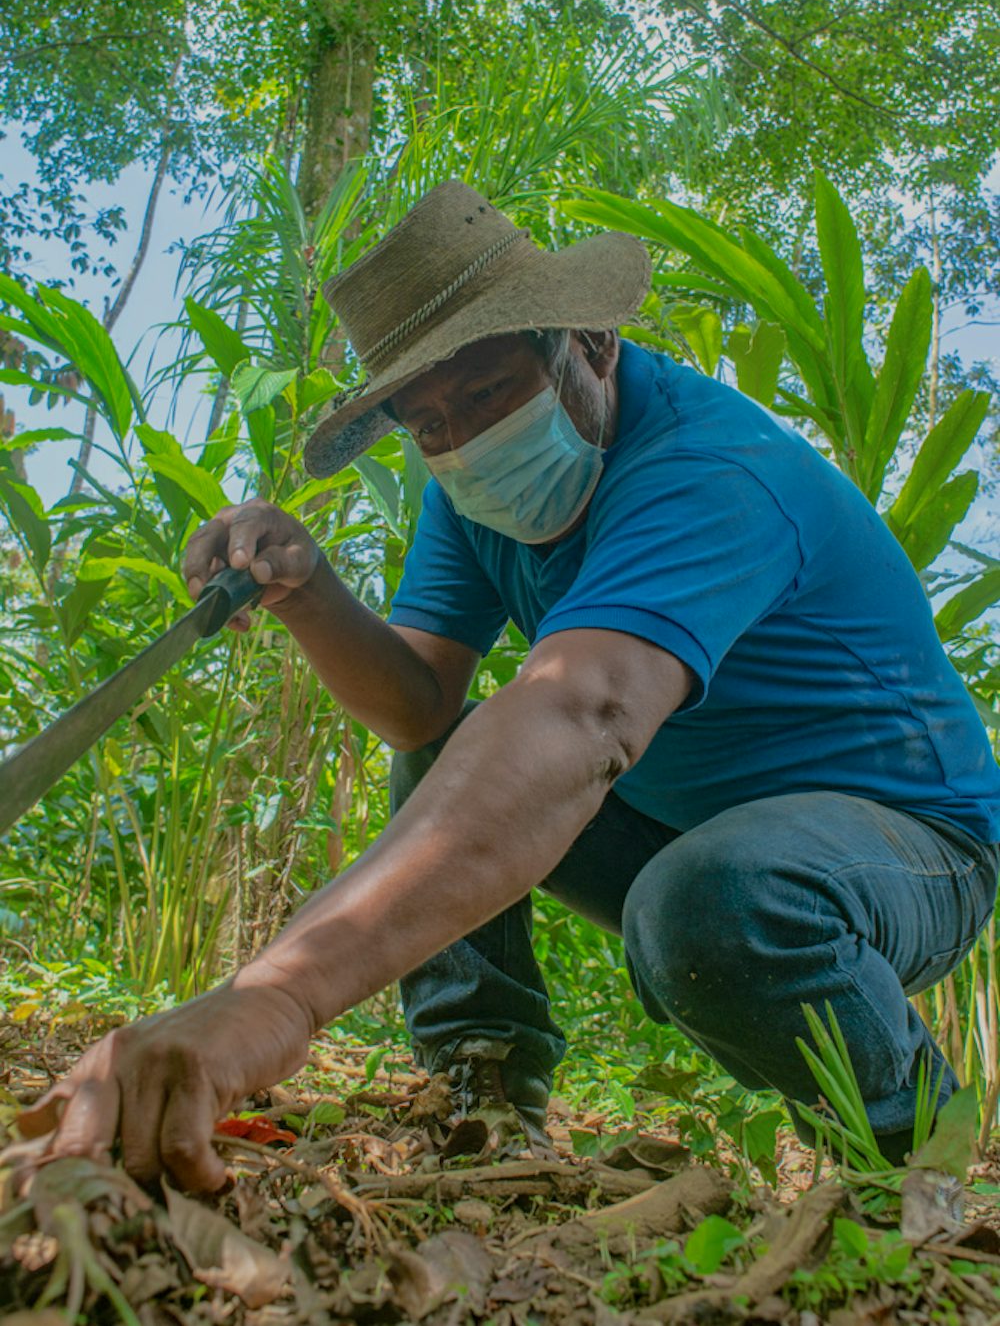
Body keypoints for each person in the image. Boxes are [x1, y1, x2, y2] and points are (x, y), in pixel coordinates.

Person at [23, 180, 1000, 1190]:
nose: (462, 440)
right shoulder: (478, 491)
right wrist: (309, 593)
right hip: (686, 827)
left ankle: (913, 1160)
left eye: (487, 393)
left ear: (588, 345)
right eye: (429, 420)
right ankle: (481, 1081)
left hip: (906, 848)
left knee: (709, 895)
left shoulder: (710, 469)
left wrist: (275, 995)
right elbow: (417, 707)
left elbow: (584, 711)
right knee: (476, 747)